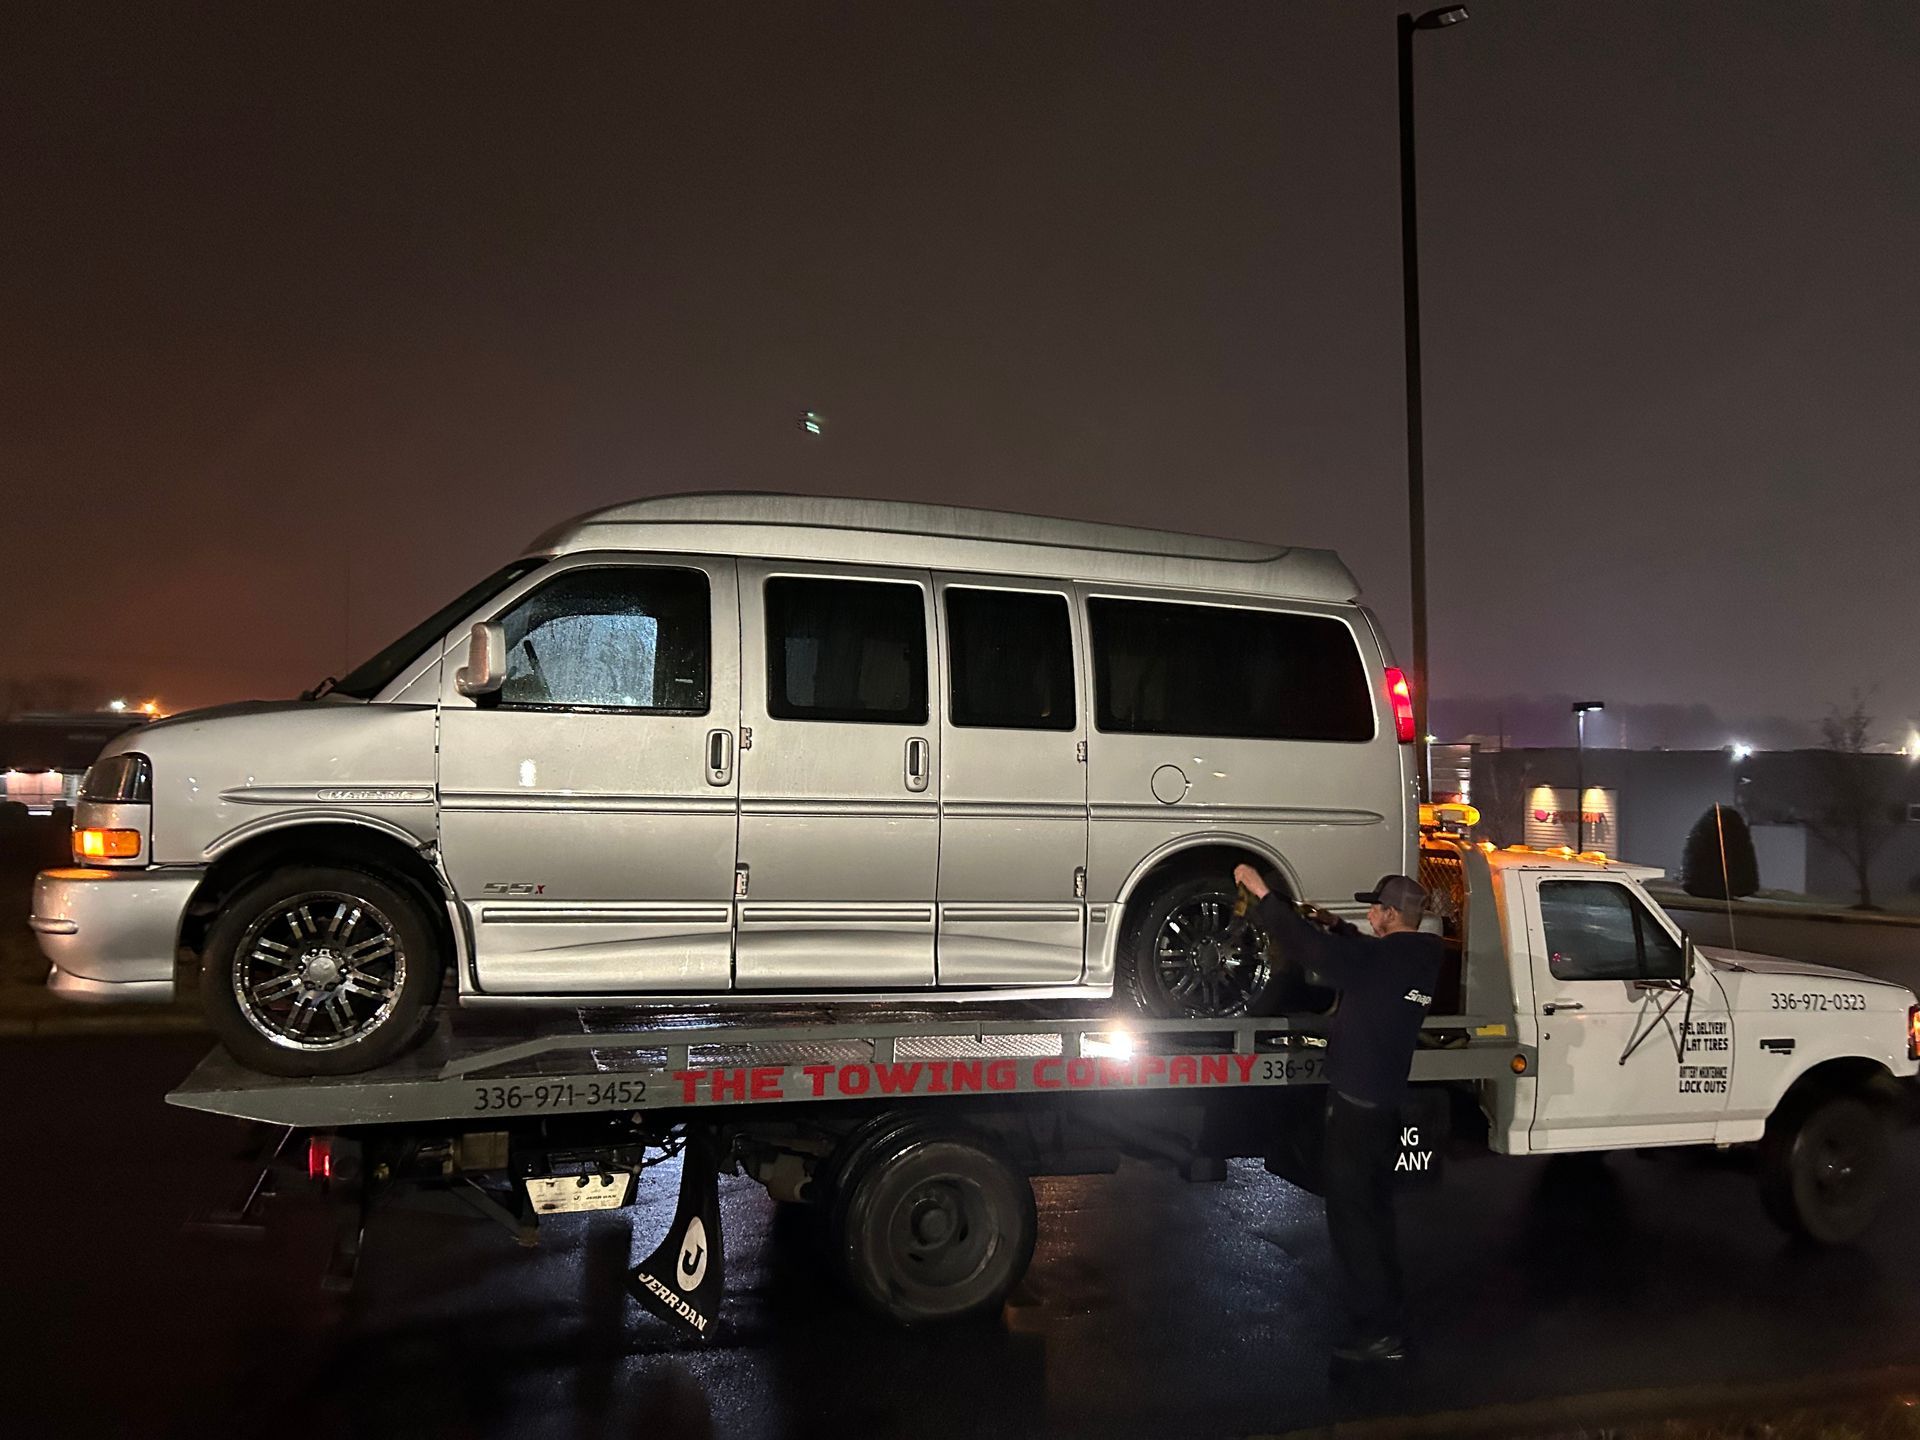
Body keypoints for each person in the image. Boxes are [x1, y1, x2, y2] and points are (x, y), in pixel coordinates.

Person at [1232, 864, 1443, 1365]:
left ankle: (1378, 1334)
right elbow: (1361, 953)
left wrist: (1264, 895)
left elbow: (1311, 950)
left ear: (1390, 915)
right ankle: (1389, 1319)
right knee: (1376, 1217)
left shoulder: (1378, 961)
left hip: (1357, 1109)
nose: (1369, 912)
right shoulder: (1419, 957)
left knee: (1354, 1224)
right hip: (1384, 1105)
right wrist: (1338, 923)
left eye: (1375, 907)